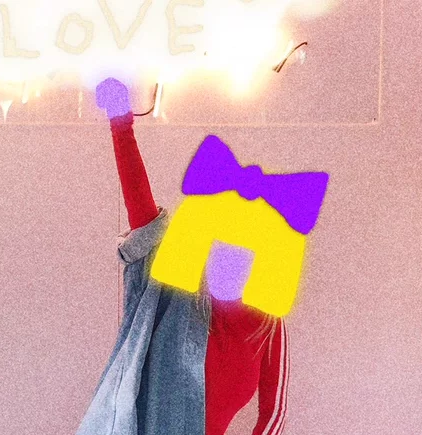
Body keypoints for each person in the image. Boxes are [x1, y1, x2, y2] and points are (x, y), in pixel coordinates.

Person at [76, 78, 288, 435]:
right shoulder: (177, 288)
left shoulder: (268, 320)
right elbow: (140, 205)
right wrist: (120, 121)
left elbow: (275, 412)